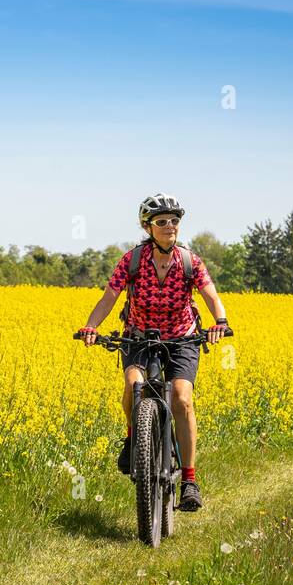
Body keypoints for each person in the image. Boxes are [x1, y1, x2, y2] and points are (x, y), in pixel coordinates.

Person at [77, 194, 230, 511]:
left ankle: (189, 480)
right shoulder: (132, 260)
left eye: (174, 220)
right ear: (148, 226)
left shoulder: (189, 261)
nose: (169, 226)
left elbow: (210, 295)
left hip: (182, 338)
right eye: (162, 221)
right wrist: (91, 326)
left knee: (181, 398)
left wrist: (220, 322)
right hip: (139, 336)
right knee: (134, 386)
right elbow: (109, 297)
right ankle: (134, 436)